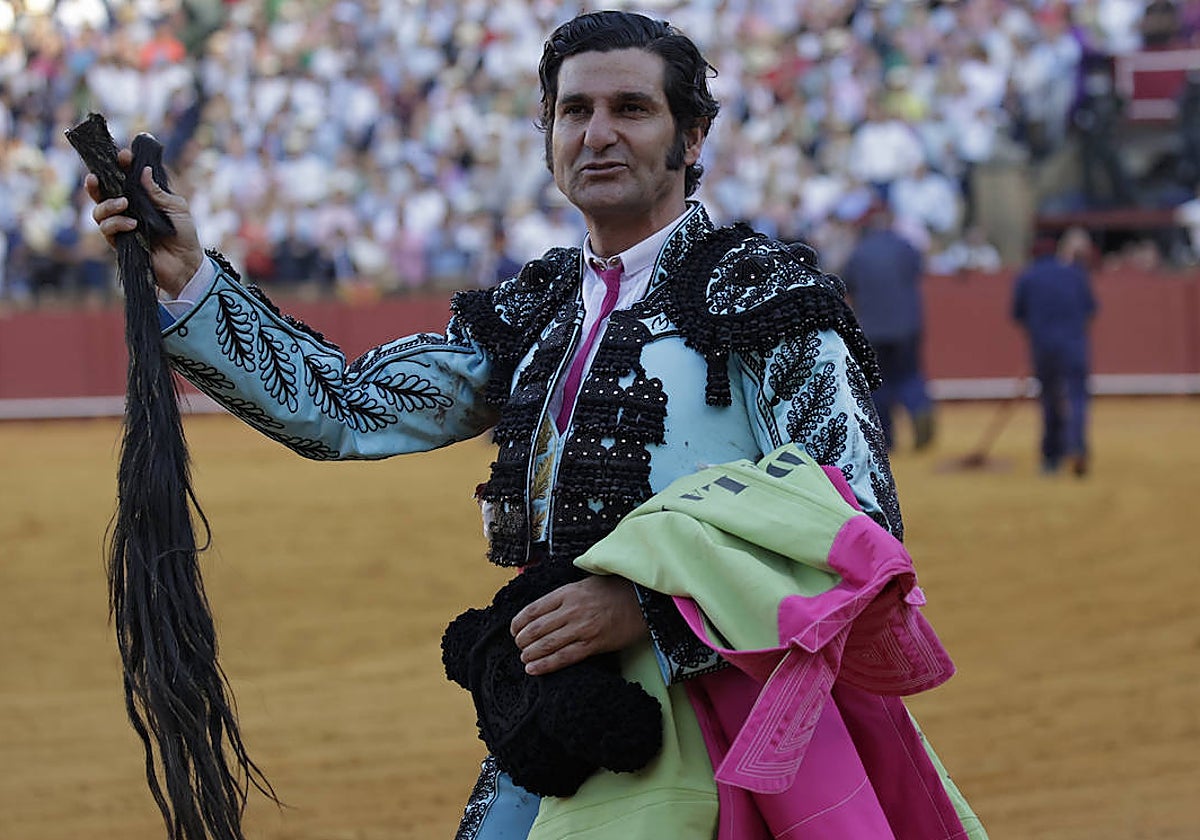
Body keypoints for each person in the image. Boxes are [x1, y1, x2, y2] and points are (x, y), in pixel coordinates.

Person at [89, 11, 985, 839]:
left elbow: (857, 519)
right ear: (548, 136)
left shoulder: (763, 297)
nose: (598, 134)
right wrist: (191, 276)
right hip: (564, 717)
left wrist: (652, 606)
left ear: (693, 135)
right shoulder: (540, 311)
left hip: (738, 719)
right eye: (574, 111)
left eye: (632, 108)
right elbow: (350, 407)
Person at [840, 201, 937, 452]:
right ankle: (919, 406)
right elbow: (918, 271)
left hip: (873, 329)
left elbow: (847, 286)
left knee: (877, 382)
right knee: (909, 374)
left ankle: (887, 438)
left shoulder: (859, 253)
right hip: (907, 325)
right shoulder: (905, 247)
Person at [1012, 227, 1099, 477]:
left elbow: (1018, 315)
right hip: (1074, 345)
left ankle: (1052, 457)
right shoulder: (1075, 275)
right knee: (1077, 399)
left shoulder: (1028, 277)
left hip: (1044, 348)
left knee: (1050, 401)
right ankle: (1077, 446)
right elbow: (1090, 311)